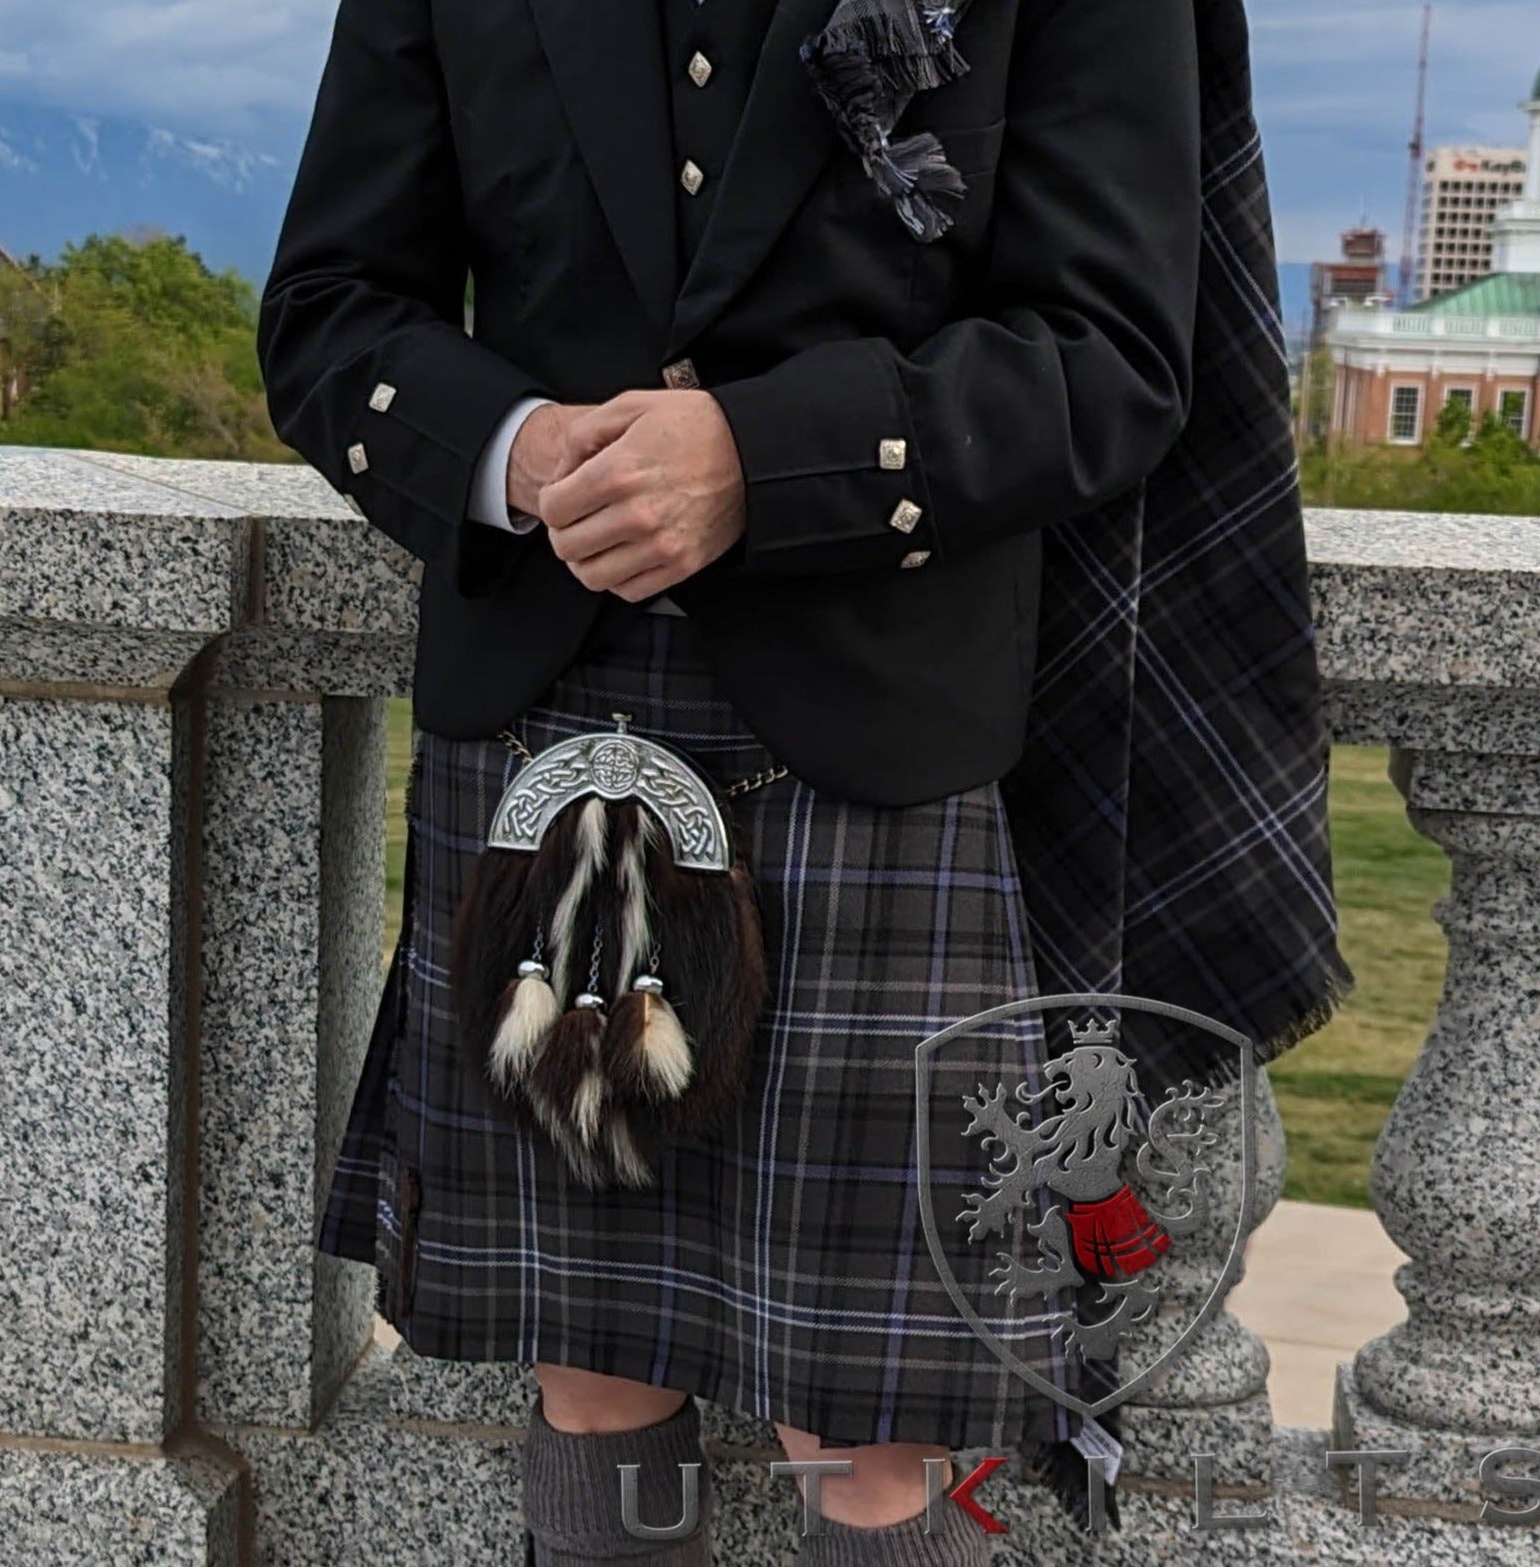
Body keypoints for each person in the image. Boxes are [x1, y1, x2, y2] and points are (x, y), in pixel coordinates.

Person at [257, 0, 1349, 1560]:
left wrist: (757, 463)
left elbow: (1111, 353)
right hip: (549, 728)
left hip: (886, 734)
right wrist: (518, 448)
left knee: (869, 1430)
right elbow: (328, 308)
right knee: (591, 1357)